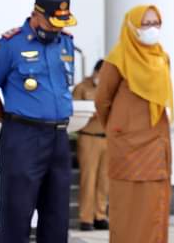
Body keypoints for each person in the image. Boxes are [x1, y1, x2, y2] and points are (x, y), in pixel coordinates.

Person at [0, 0, 77, 243]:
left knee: (57, 213)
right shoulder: (10, 45)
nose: (56, 29)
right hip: (23, 137)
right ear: (36, 15)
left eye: (61, 23)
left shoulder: (65, 42)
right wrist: (10, 120)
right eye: (52, 22)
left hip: (58, 137)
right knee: (17, 212)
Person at [94, 5, 173, 243]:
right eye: (145, 23)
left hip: (156, 141)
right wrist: (119, 129)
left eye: (156, 23)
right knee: (128, 207)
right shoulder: (118, 58)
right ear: (132, 26)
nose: (152, 29)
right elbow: (102, 100)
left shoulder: (162, 57)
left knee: (155, 205)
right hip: (127, 145)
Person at [73, 59, 109, 231]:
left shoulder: (110, 88)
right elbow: (73, 111)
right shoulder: (82, 88)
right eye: (102, 73)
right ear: (95, 71)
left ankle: (100, 215)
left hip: (107, 138)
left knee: (104, 180)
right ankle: (86, 218)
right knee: (88, 179)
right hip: (89, 137)